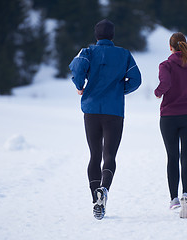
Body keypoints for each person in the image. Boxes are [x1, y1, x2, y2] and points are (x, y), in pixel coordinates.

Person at [69, 19, 141, 220]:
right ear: (112, 36)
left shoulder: (87, 52)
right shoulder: (124, 54)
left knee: (94, 155)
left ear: (96, 35)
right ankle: (104, 190)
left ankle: (96, 200)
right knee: (109, 155)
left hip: (91, 110)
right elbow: (136, 79)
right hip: (114, 112)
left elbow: (76, 68)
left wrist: (80, 85)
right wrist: (119, 91)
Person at [154, 32, 187, 218]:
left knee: (172, 156)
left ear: (170, 47)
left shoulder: (165, 65)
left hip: (168, 118)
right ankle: (186, 196)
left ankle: (174, 199)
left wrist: (158, 92)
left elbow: (165, 83)